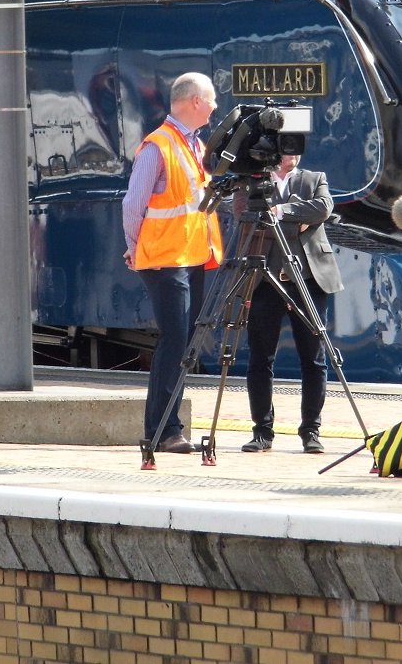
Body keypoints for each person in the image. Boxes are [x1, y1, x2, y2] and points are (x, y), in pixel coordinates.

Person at [122, 72, 224, 453]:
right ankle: (164, 431)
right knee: (175, 341)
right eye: (211, 100)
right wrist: (136, 247)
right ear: (195, 101)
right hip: (166, 259)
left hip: (191, 256)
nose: (215, 107)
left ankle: (164, 428)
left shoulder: (192, 145)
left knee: (183, 343)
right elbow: (133, 205)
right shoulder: (159, 145)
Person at [234, 151, 343, 455]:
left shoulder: (315, 179)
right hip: (263, 279)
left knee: (314, 357)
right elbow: (245, 217)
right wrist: (299, 223)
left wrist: (280, 212)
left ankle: (311, 430)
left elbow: (323, 208)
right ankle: (262, 431)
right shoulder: (253, 181)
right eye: (286, 147)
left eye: (297, 147)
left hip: (309, 278)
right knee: (260, 357)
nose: (293, 153)